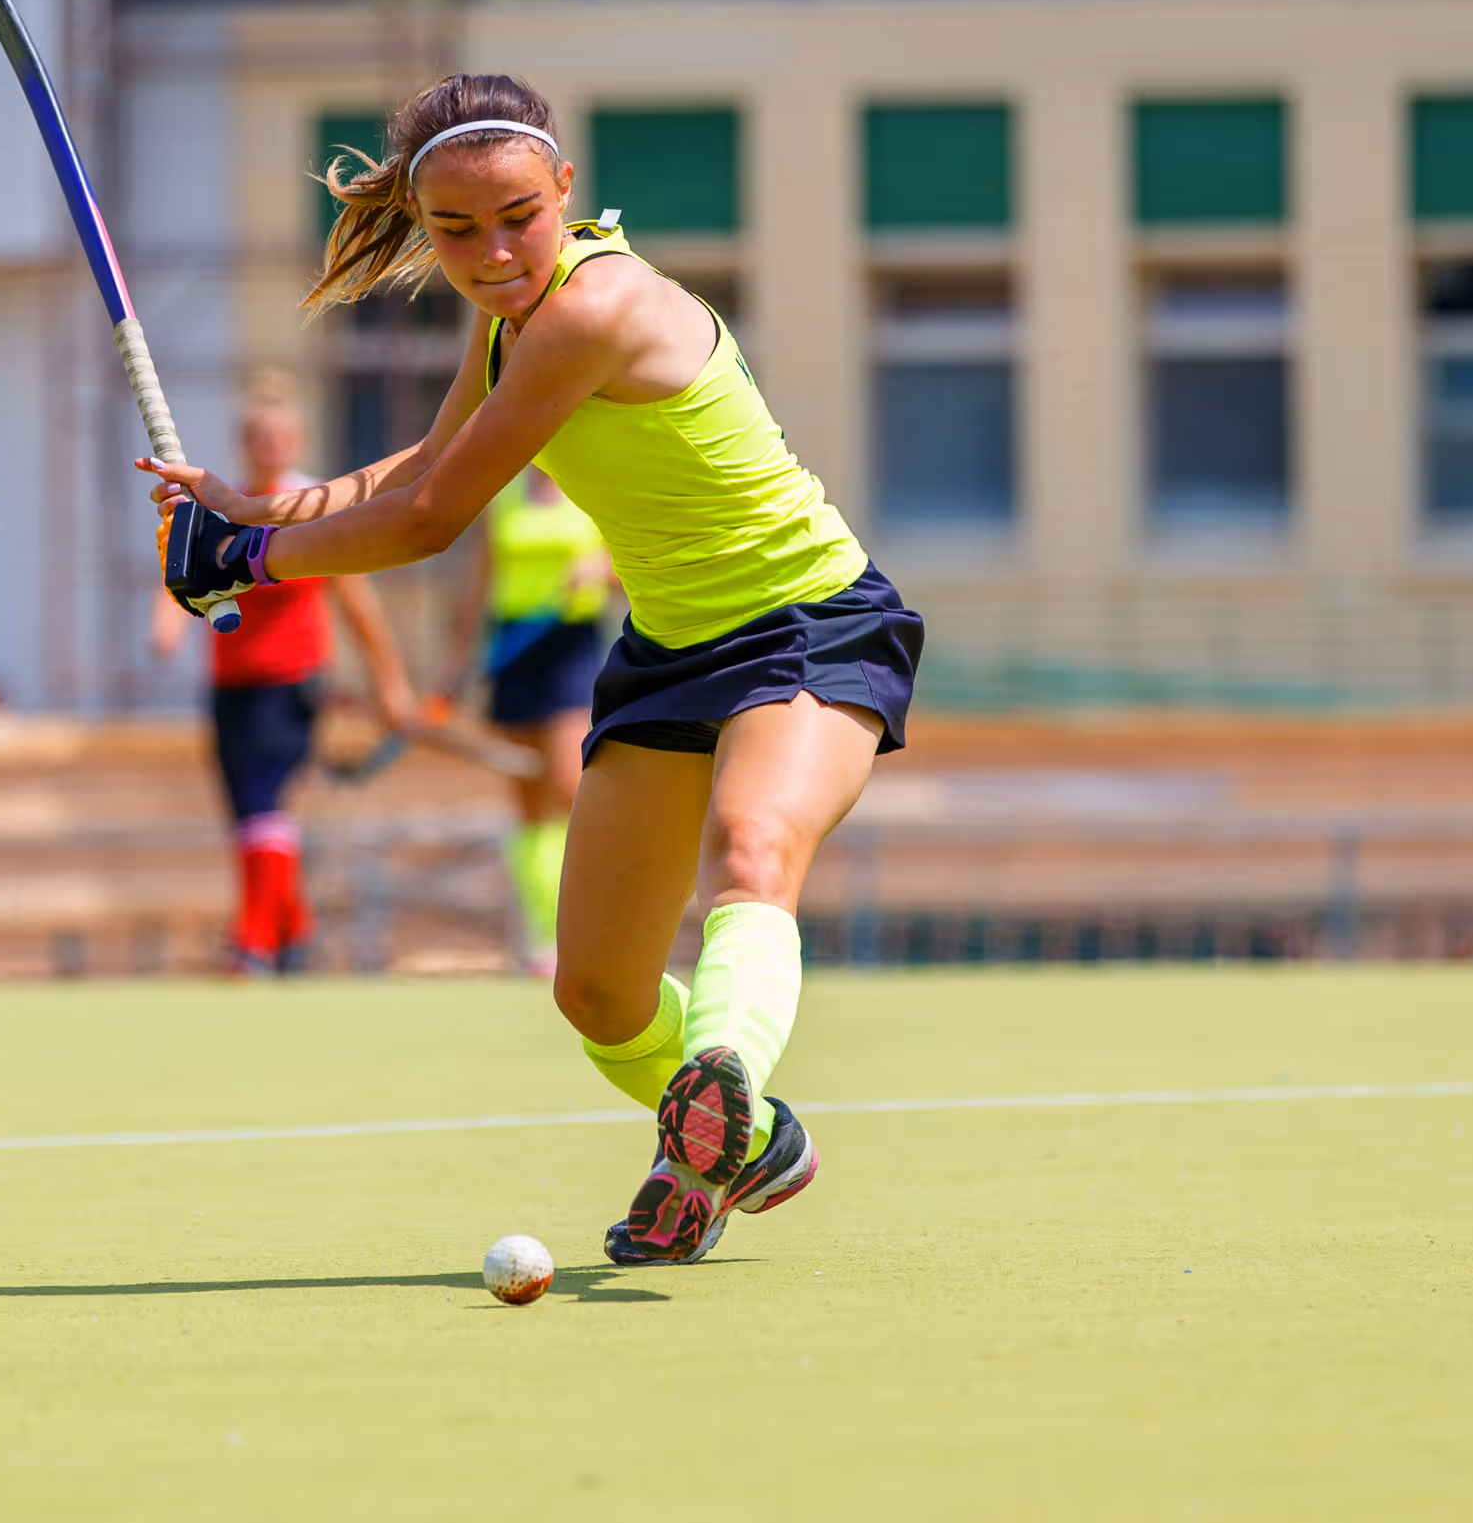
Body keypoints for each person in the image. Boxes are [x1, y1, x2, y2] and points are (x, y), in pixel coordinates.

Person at [144, 74, 925, 1265]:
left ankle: (717, 1083)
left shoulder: (593, 308)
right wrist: (254, 508)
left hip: (809, 621)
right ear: (421, 222)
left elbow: (431, 522)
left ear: (565, 187)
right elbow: (427, 459)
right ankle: (742, 1139)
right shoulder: (511, 317)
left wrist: (248, 561)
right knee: (598, 1000)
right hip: (669, 652)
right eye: (453, 231)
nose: (493, 251)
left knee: (756, 851)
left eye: (517, 214)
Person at [149, 376, 418, 977]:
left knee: (264, 805)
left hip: (290, 680)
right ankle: (294, 933)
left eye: (279, 438)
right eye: (259, 439)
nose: (269, 448)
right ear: (246, 443)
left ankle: (252, 941)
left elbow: (357, 605)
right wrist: (167, 622)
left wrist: (390, 682)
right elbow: (177, 570)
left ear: (296, 441)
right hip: (230, 683)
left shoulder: (310, 510)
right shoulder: (225, 508)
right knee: (247, 812)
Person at [447, 466, 614, 978]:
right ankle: (544, 936)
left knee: (569, 786)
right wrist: (456, 660)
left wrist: (602, 569)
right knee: (528, 803)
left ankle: (591, 926)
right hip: (514, 650)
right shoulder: (506, 497)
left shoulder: (594, 488)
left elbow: (635, 560)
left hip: (570, 647)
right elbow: (481, 580)